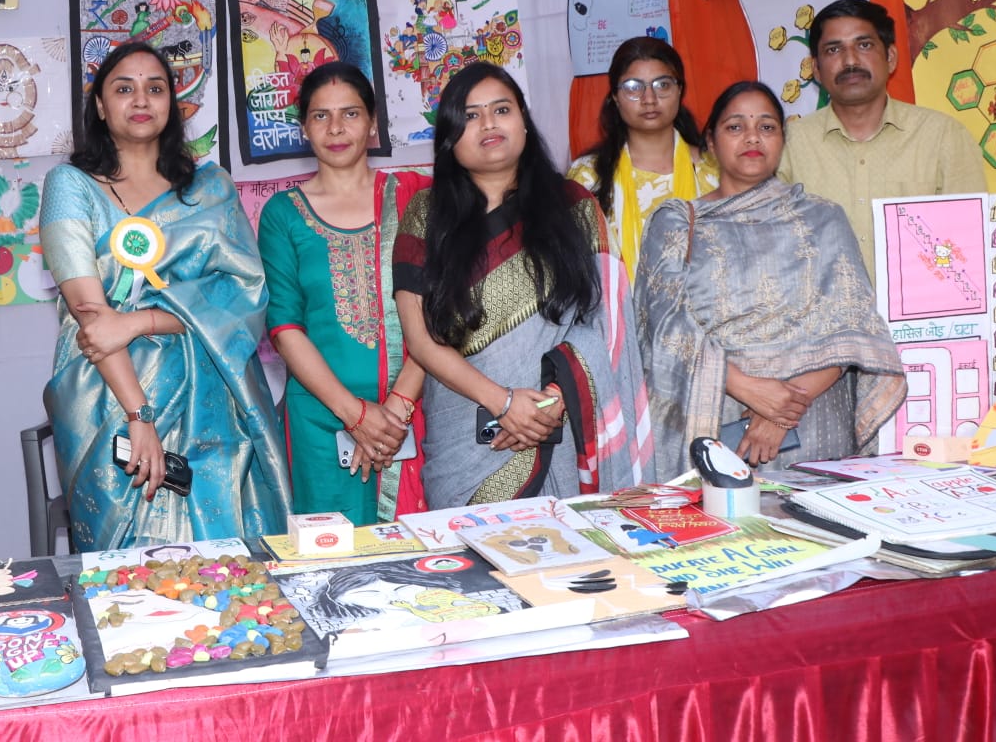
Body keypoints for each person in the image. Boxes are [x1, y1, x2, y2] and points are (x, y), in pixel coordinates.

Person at [41, 41, 289, 550]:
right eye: (123, 89)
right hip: (108, 395)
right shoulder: (70, 185)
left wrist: (138, 321)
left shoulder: (210, 188)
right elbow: (92, 317)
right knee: (130, 561)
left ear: (172, 104)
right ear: (100, 106)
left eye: (155, 88)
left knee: (225, 558)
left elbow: (242, 293)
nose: (141, 100)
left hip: (211, 385)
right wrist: (140, 417)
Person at [394, 62, 651, 508]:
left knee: (566, 548)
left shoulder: (574, 207)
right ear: (450, 137)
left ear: (525, 123)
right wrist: (504, 403)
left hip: (559, 428)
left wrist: (552, 402)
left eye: (502, 109)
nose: (488, 123)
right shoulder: (427, 214)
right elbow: (419, 338)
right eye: (470, 115)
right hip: (462, 440)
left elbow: (607, 322)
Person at [636, 81, 906, 478]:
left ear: (782, 139)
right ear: (710, 141)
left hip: (814, 423)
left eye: (766, 127)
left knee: (817, 517)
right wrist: (749, 388)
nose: (752, 137)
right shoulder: (677, 222)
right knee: (719, 517)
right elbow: (664, 327)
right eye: (735, 127)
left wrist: (781, 412)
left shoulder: (824, 218)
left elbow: (855, 327)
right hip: (717, 416)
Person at [257, 63, 429, 526]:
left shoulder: (416, 197)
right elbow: (284, 326)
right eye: (321, 116)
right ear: (303, 128)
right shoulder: (282, 214)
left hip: (414, 410)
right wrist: (355, 415)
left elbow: (440, 310)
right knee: (331, 553)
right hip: (321, 419)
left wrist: (396, 409)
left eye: (350, 113)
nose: (336, 128)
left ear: (373, 123)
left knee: (419, 551)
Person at [777, 0, 985, 277]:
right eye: (833, 49)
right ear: (816, 69)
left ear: (890, 57)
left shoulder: (943, 137)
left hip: (923, 305)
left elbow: (970, 245)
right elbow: (773, 251)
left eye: (864, 45)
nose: (850, 61)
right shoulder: (788, 146)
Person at [568, 37, 718, 277]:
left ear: (680, 90)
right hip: (616, 302)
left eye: (662, 85)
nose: (649, 99)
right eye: (633, 87)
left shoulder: (715, 171)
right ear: (615, 96)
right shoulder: (587, 177)